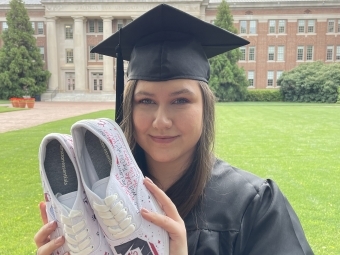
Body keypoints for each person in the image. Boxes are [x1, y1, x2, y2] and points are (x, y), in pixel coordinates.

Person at [34, 4, 314, 255]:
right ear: (129, 108)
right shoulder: (92, 204)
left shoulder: (254, 206)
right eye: (145, 101)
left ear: (205, 107)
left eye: (180, 100)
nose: (161, 121)